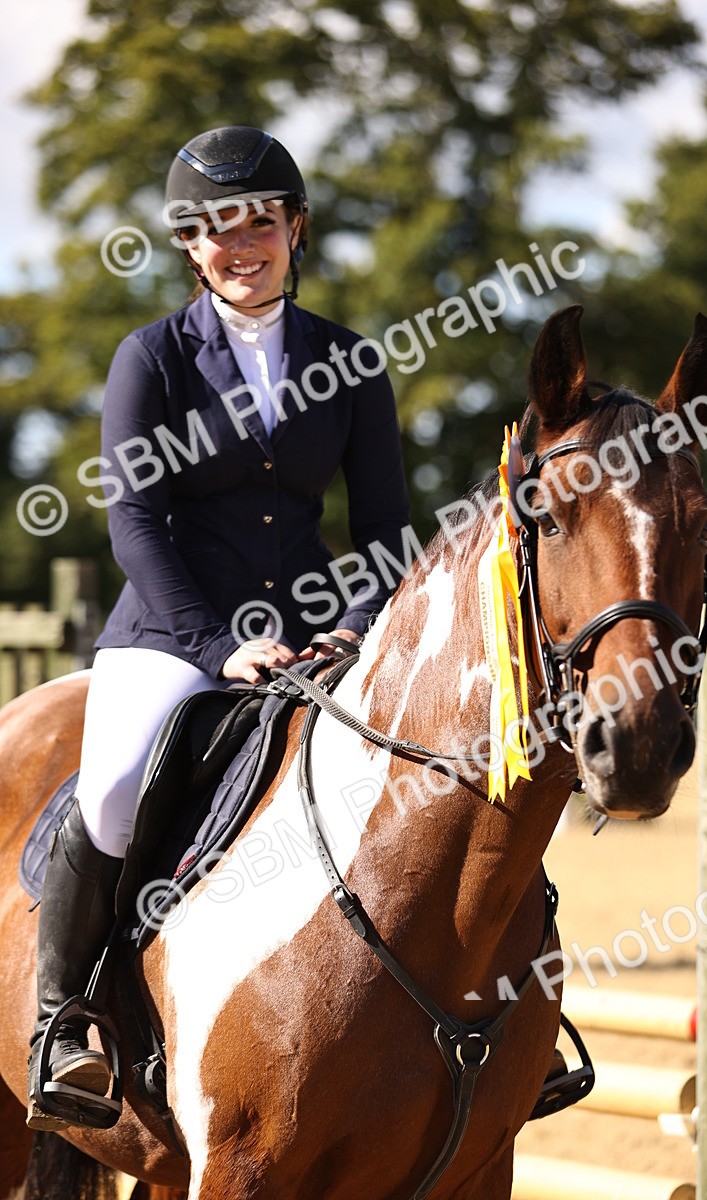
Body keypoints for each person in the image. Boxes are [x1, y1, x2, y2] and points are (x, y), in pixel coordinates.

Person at [27, 126, 411, 1129]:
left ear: (295, 229)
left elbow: (380, 526)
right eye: (214, 230)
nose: (239, 246)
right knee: (111, 793)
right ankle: (62, 1022)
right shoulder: (150, 356)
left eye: (259, 224)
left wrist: (357, 624)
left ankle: (484, 1022)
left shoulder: (350, 361)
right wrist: (213, 646)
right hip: (170, 630)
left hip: (317, 629)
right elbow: (135, 522)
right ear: (190, 248)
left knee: (428, 766)